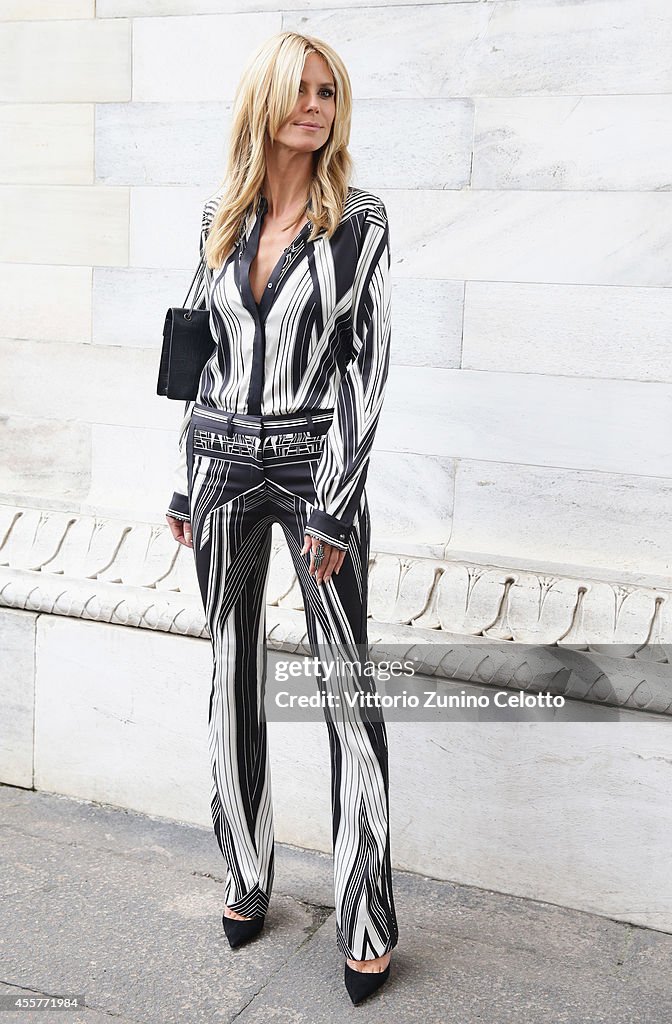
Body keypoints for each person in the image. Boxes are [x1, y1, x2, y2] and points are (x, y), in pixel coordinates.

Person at [165, 30, 398, 1005]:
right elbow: (194, 357)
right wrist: (184, 482)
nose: (315, 105)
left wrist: (336, 506)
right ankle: (245, 871)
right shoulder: (219, 216)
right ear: (265, 100)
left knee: (348, 688)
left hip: (314, 470)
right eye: (300, 90)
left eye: (328, 92)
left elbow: (368, 368)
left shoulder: (360, 222)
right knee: (232, 676)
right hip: (221, 464)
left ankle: (369, 915)